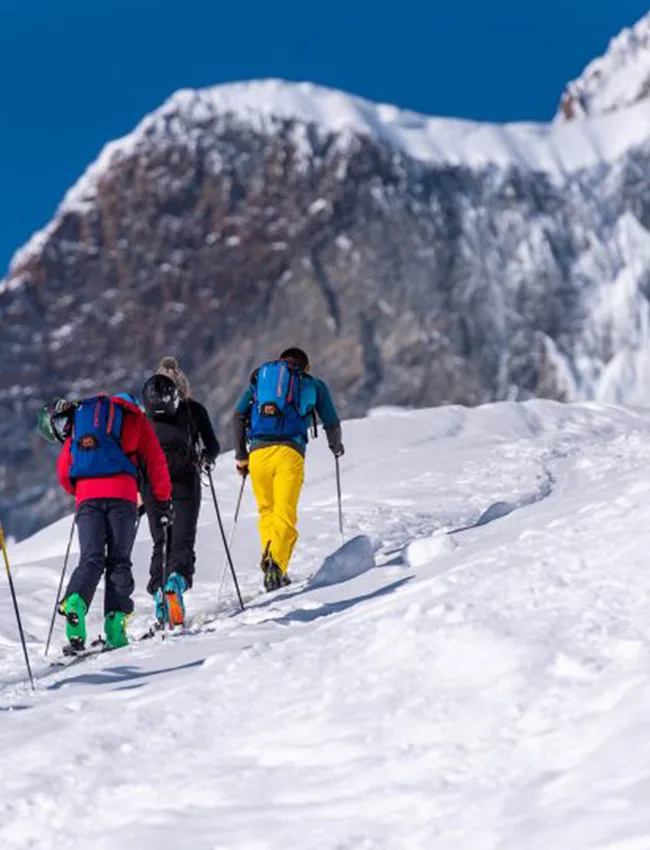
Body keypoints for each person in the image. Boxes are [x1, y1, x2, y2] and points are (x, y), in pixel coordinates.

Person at [45, 394, 171, 651]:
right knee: (118, 561)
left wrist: (79, 491)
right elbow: (156, 460)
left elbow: (63, 467)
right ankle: (114, 629)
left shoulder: (84, 419)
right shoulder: (135, 418)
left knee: (90, 559)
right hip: (123, 496)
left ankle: (75, 603)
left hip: (88, 496)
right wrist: (162, 497)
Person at [233, 347, 344, 591]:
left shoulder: (261, 380)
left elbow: (239, 414)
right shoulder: (312, 384)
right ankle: (276, 565)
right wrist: (336, 446)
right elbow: (331, 420)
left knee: (267, 511)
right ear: (305, 367)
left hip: (258, 453)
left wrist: (242, 456)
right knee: (285, 512)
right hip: (289, 453)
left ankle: (272, 561)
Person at [141, 357, 219, 625]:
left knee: (161, 542)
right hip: (185, 481)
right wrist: (205, 459)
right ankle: (177, 581)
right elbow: (212, 446)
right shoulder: (194, 409)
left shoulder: (145, 417)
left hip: (152, 486)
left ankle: (160, 591)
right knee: (183, 542)